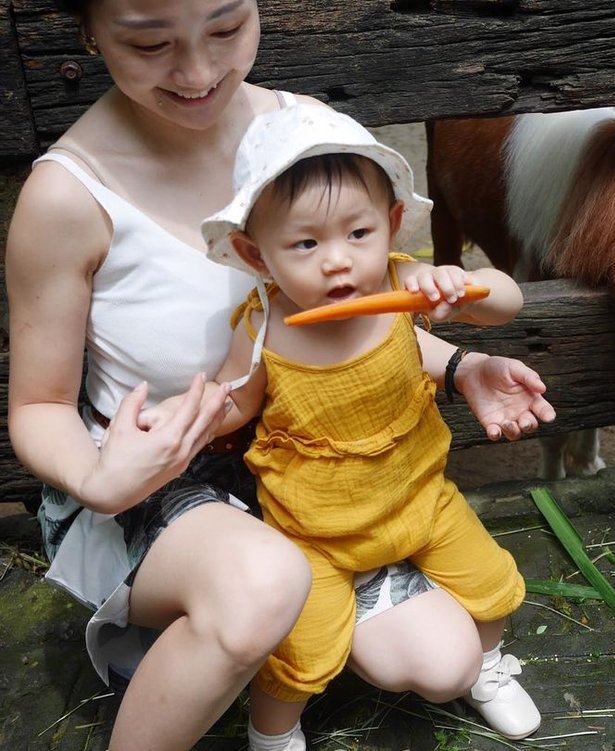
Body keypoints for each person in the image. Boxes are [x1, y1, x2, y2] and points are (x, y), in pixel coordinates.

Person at [4, 1, 554, 749]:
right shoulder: (66, 197)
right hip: (152, 475)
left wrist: (462, 364)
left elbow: (365, 325)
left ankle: (293, 632)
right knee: (265, 584)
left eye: (226, 29)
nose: (198, 72)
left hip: (320, 475)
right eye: (150, 43)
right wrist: (100, 479)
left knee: (441, 660)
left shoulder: (316, 139)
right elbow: (38, 406)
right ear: (89, 32)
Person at [144, 102, 547, 747]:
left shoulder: (403, 285)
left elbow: (509, 302)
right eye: (305, 244)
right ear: (255, 253)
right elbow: (235, 402)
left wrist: (465, 288)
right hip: (315, 532)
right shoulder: (263, 326)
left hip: (421, 499)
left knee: (492, 587)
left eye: (358, 233)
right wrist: (188, 413)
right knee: (300, 655)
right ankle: (273, 733)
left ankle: (490, 668)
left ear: (391, 225)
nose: (337, 261)